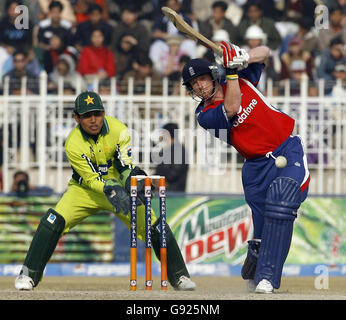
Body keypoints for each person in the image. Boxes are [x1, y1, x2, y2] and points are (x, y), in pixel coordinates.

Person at [14, 91, 196, 291]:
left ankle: (179, 276)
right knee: (52, 221)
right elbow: (91, 179)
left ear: (103, 113)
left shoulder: (119, 129)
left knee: (156, 226)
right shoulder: (73, 143)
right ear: (77, 118)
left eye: (97, 114)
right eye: (86, 116)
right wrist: (110, 190)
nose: (93, 120)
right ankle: (28, 275)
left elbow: (124, 165)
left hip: (120, 188)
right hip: (85, 191)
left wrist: (134, 180)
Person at [181, 40, 310, 293]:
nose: (199, 86)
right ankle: (256, 256)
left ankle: (267, 278)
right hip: (255, 169)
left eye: (202, 79)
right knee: (263, 228)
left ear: (213, 75)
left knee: (282, 204)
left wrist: (242, 56)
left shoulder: (242, 77)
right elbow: (232, 107)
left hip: (287, 148)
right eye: (194, 84)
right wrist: (231, 71)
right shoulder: (205, 115)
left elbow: (265, 51)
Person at [153, 123, 189, 192]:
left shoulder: (179, 150)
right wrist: (154, 179)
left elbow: (175, 172)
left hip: (174, 193)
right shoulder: (166, 149)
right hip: (162, 191)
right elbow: (159, 169)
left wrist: (162, 182)